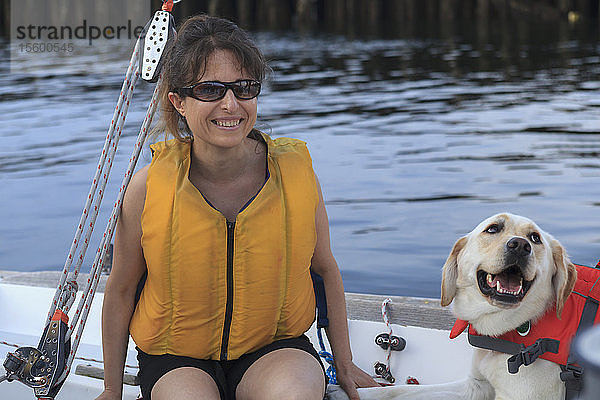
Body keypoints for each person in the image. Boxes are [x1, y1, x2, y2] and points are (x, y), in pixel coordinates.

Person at [95, 14, 378, 400]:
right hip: (176, 357)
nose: (231, 104)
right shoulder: (146, 187)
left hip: (274, 348)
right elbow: (121, 289)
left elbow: (325, 269)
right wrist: (112, 390)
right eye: (210, 90)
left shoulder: (296, 174)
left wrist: (344, 364)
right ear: (178, 101)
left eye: (245, 88)